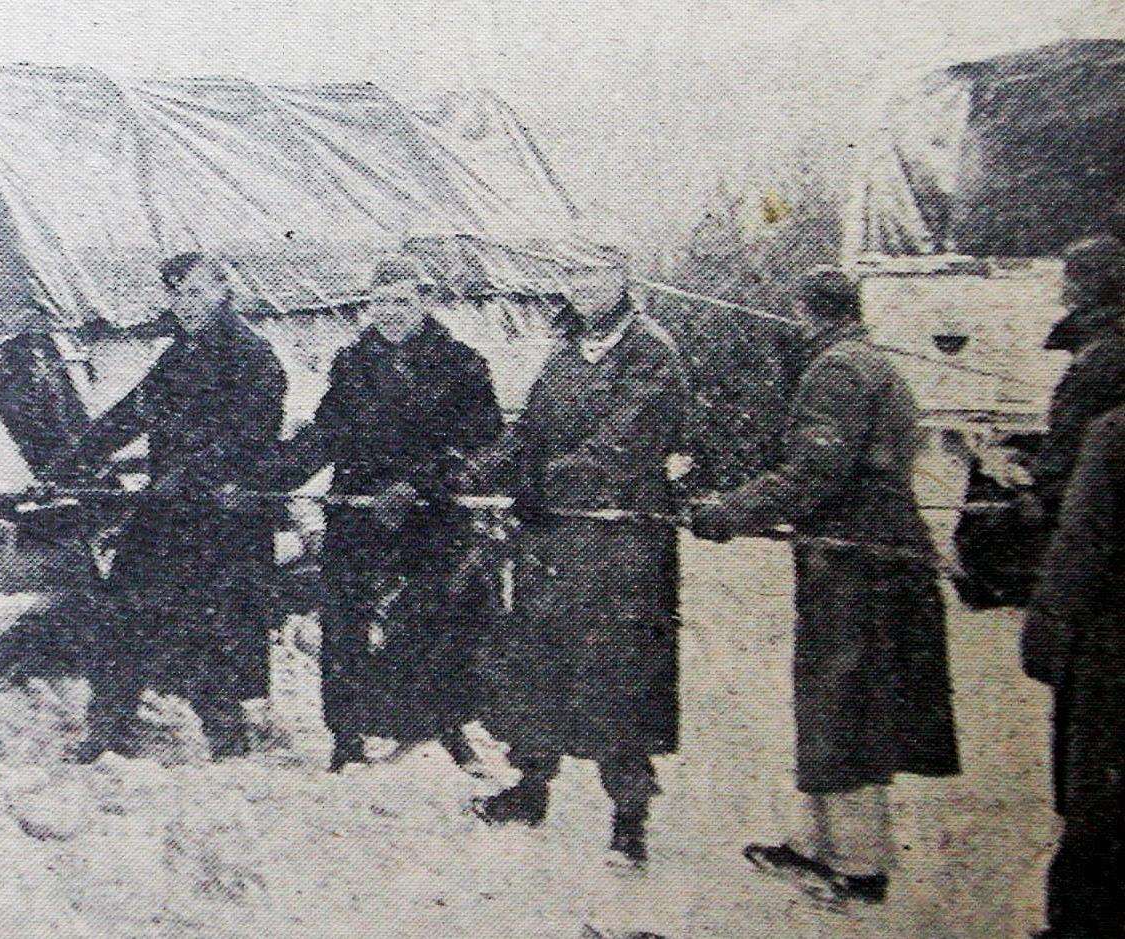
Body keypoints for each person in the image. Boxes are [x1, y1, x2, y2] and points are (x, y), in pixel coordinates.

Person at [689, 266, 961, 906]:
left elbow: (815, 474)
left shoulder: (837, 372)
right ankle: (817, 845)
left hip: (857, 565)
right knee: (836, 697)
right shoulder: (870, 361)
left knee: (849, 702)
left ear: (805, 311)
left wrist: (729, 511)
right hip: (867, 558)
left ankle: (858, 867)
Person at [459, 272, 688, 870]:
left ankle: (628, 822)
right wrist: (473, 472)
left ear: (623, 280)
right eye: (574, 278)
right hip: (554, 545)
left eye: (597, 276)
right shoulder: (564, 355)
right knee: (539, 663)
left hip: (622, 550)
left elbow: (622, 446)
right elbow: (529, 434)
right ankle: (530, 791)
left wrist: (537, 483)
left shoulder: (651, 354)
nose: (584, 289)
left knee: (620, 680)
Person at [258, 255, 503, 772]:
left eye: (402, 301)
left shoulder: (463, 364)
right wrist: (269, 481)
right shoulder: (353, 362)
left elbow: (483, 444)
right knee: (344, 619)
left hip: (431, 513)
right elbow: (326, 433)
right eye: (380, 302)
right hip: (361, 510)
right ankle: (346, 735)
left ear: (426, 304)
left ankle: (446, 726)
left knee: (437, 619)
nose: (389, 312)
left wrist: (420, 484)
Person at [50, 251, 288, 763]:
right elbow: (134, 411)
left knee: (210, 625)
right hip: (169, 511)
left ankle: (227, 739)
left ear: (223, 292)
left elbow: (251, 438)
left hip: (223, 519)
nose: (185, 304)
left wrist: (192, 478)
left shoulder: (253, 357)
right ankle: (109, 723)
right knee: (123, 610)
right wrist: (74, 458)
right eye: (177, 294)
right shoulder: (181, 353)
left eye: (197, 292)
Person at [1022, 405, 1125, 939]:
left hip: (1113, 652)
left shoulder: (1114, 433)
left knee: (1099, 804)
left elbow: (1079, 548)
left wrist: (1046, 639)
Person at [1029, 234, 1125, 514]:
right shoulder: (1109, 346)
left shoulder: (1098, 358)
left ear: (1082, 289)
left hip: (1089, 505)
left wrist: (1030, 486)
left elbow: (1062, 460)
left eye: (1067, 279)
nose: (1060, 291)